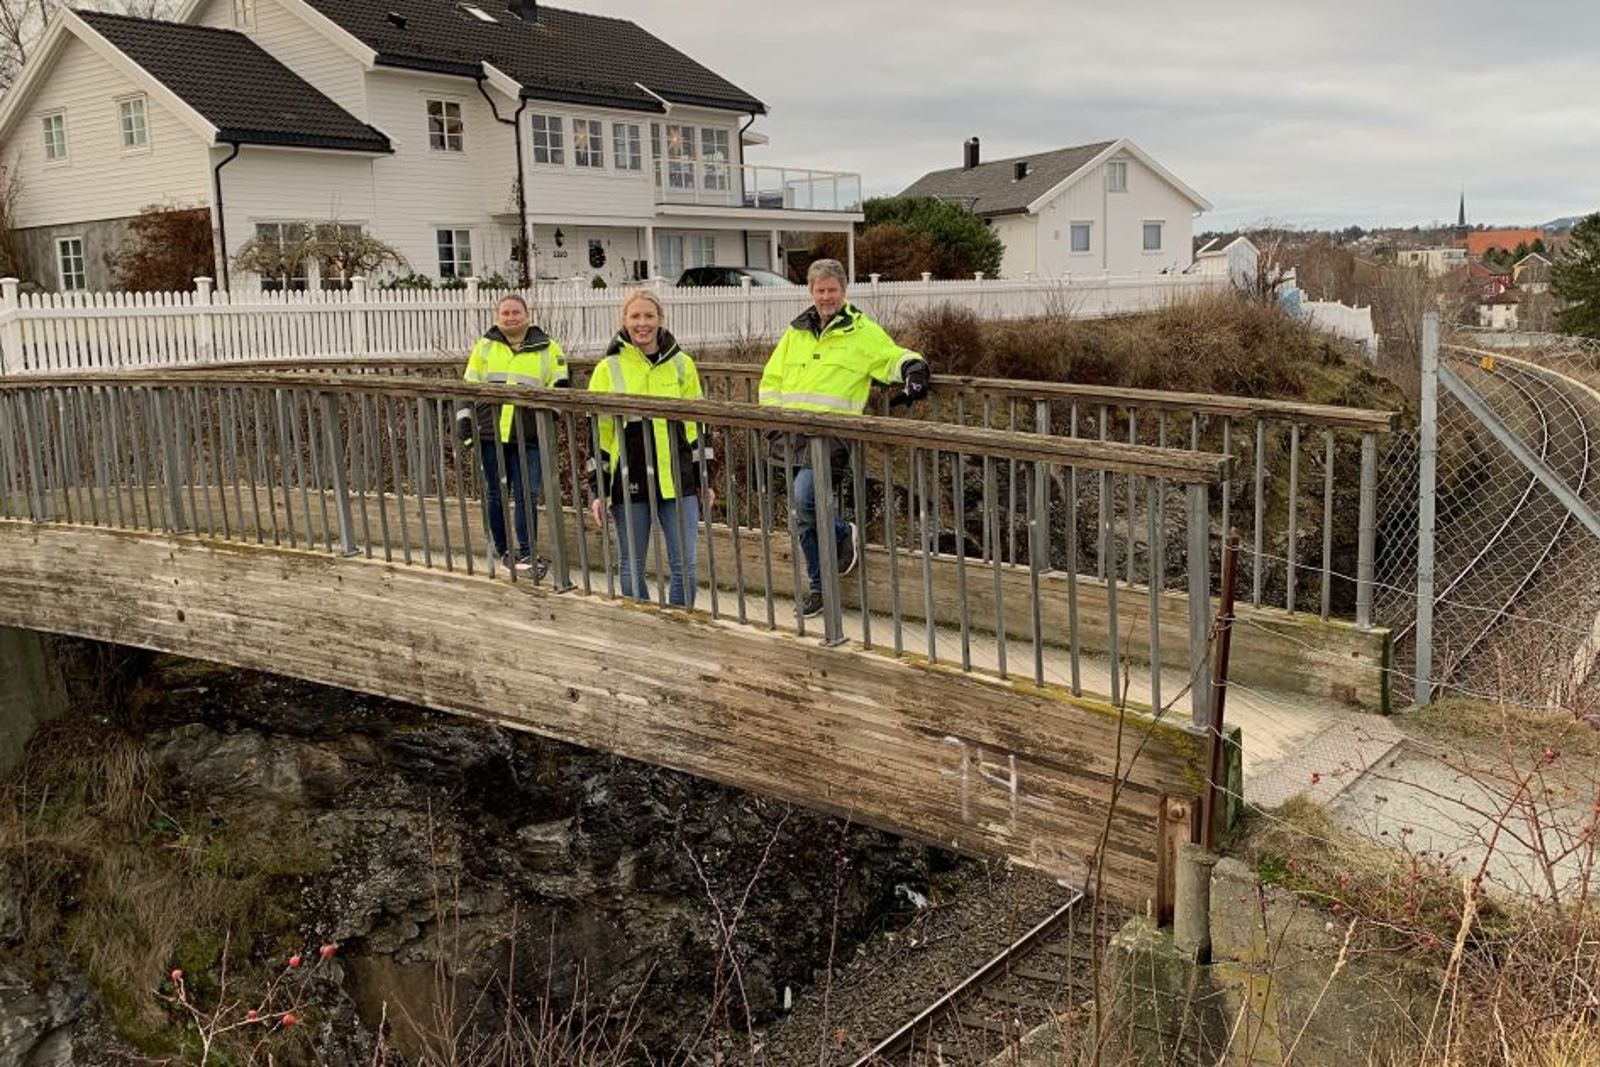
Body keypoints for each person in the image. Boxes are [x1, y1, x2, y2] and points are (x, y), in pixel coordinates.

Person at [758, 258, 930, 617]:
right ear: (810, 291)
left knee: (805, 501)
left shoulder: (861, 331)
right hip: (789, 433)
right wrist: (773, 419)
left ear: (844, 290)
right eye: (819, 290)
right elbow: (771, 379)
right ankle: (821, 588)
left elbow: (889, 357)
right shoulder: (797, 331)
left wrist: (914, 368)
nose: (825, 297)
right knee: (801, 514)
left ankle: (839, 532)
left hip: (832, 435)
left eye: (832, 290)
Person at [588, 288, 713, 607]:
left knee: (685, 565)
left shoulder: (683, 365)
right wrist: (597, 489)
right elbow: (599, 432)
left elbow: (697, 425)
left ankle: (678, 627)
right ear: (624, 321)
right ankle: (642, 628)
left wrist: (705, 477)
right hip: (629, 476)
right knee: (631, 565)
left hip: (679, 476)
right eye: (635, 316)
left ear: (660, 320)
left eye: (649, 316)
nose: (642, 323)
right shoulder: (608, 368)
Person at [456, 294, 568, 578]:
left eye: (515, 312)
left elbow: (561, 387)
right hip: (491, 432)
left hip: (528, 435)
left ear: (527, 315)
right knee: (495, 493)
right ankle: (505, 549)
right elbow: (467, 388)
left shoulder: (548, 347)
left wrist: (547, 421)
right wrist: (466, 429)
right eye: (505, 312)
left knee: (527, 494)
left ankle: (527, 551)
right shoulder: (485, 346)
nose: (510, 317)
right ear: (497, 317)